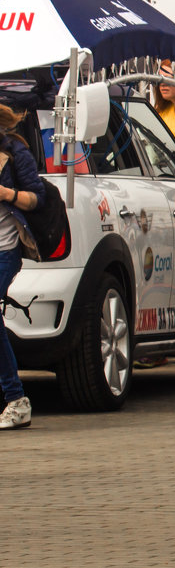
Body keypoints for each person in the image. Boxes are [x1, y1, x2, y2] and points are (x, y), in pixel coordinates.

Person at [0, 105, 46, 430]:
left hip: (4, 249)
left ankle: (16, 400)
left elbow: (37, 197)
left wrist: (7, 193)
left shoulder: (15, 151)